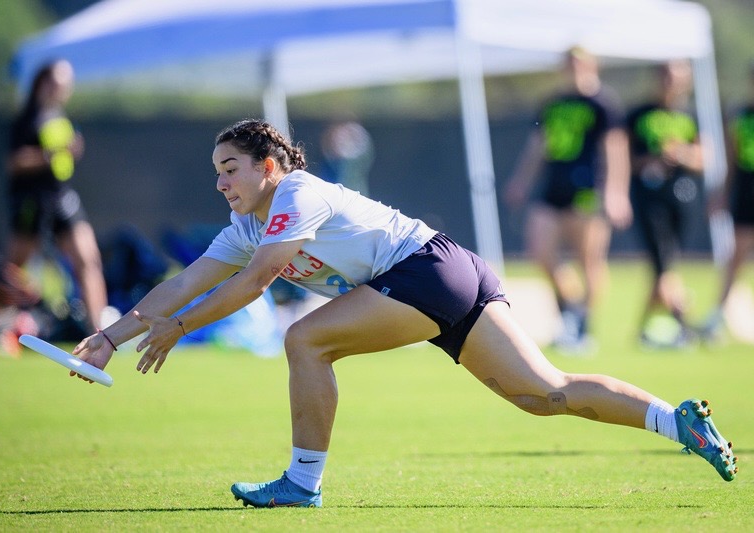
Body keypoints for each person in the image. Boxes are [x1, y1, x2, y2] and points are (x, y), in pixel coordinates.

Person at [71, 119, 736, 508]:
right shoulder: (245, 226)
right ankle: (677, 421)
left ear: (268, 167)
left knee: (305, 339)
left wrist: (182, 327)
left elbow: (259, 279)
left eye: (230, 169)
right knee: (544, 394)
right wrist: (109, 337)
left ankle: (302, 483)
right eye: (217, 172)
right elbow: (183, 282)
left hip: (428, 272)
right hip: (447, 271)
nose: (221, 183)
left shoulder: (295, 193)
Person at [504, 47, 631, 352]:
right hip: (554, 188)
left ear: (593, 66)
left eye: (580, 64)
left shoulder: (602, 103)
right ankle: (571, 310)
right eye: (569, 64)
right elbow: (538, 146)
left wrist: (616, 192)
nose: (574, 69)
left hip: (588, 190)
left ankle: (582, 326)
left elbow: (615, 148)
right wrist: (521, 181)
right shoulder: (553, 103)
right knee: (539, 250)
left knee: (589, 259)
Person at [6, 59, 109, 335]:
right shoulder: (28, 118)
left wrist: (71, 151)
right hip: (31, 199)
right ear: (43, 83)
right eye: (57, 83)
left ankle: (99, 332)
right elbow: (15, 162)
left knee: (88, 259)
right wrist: (50, 155)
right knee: (15, 270)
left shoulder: (60, 117)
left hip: (61, 196)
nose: (63, 90)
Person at [626, 60, 704, 348]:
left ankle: (643, 329)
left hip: (682, 198)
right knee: (663, 262)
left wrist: (681, 154)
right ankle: (682, 321)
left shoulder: (690, 116)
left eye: (677, 78)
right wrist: (654, 159)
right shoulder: (639, 115)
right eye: (667, 77)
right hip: (649, 199)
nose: (671, 84)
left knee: (666, 264)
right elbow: (626, 158)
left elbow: (702, 158)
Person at [702, 64, 754, 341]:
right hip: (747, 194)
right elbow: (732, 160)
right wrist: (720, 193)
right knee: (736, 257)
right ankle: (717, 315)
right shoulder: (741, 116)